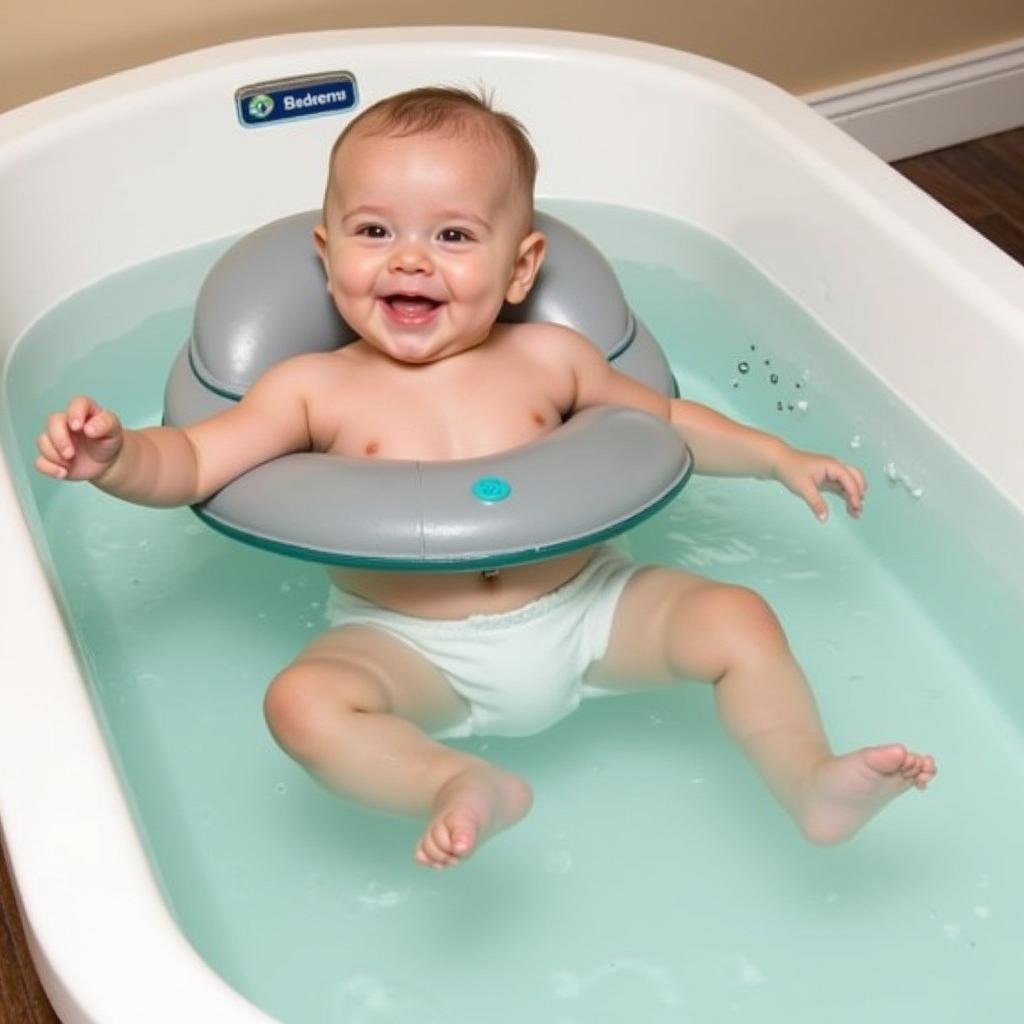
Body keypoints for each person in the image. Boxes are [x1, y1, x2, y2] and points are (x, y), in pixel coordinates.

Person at [36, 86, 935, 870]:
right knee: (302, 704)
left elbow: (659, 423)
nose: (411, 257)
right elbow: (192, 460)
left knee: (739, 619)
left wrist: (773, 455)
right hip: (409, 646)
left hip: (591, 610)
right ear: (326, 253)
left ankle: (808, 781)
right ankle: (454, 780)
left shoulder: (552, 357)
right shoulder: (312, 388)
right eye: (375, 230)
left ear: (522, 267)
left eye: (454, 234)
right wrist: (116, 459)